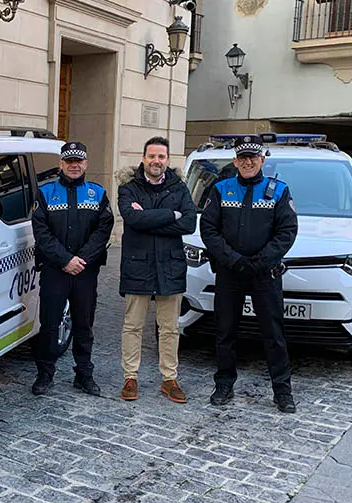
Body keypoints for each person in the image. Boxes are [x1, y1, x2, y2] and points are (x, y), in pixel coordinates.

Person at [199, 134, 299, 413]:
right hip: (230, 272)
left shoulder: (278, 190)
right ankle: (224, 383)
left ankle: (282, 390)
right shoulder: (220, 189)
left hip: (264, 273)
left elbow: (287, 231)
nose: (248, 162)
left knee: (273, 334)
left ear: (262, 160)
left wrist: (260, 261)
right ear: (235, 161)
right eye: (243, 158)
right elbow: (209, 230)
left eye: (253, 157)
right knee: (225, 331)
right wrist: (233, 260)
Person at [116, 136, 197, 403]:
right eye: (152, 156)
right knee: (132, 326)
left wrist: (148, 218)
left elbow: (188, 224)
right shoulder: (128, 187)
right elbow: (132, 218)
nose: (156, 161)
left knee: (170, 327)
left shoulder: (179, 188)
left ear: (167, 160)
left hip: (169, 266)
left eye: (161, 157)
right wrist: (169, 214)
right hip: (137, 266)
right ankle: (130, 377)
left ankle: (169, 379)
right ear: (143, 158)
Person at [31, 141, 115, 396]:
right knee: (49, 324)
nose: (74, 165)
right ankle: (45, 374)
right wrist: (65, 260)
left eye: (78, 161)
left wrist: (82, 260)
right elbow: (41, 233)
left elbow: (103, 231)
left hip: (85, 272)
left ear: (86, 164)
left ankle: (84, 374)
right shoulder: (45, 193)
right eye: (69, 161)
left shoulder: (97, 194)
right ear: (61, 164)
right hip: (55, 271)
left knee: (84, 324)